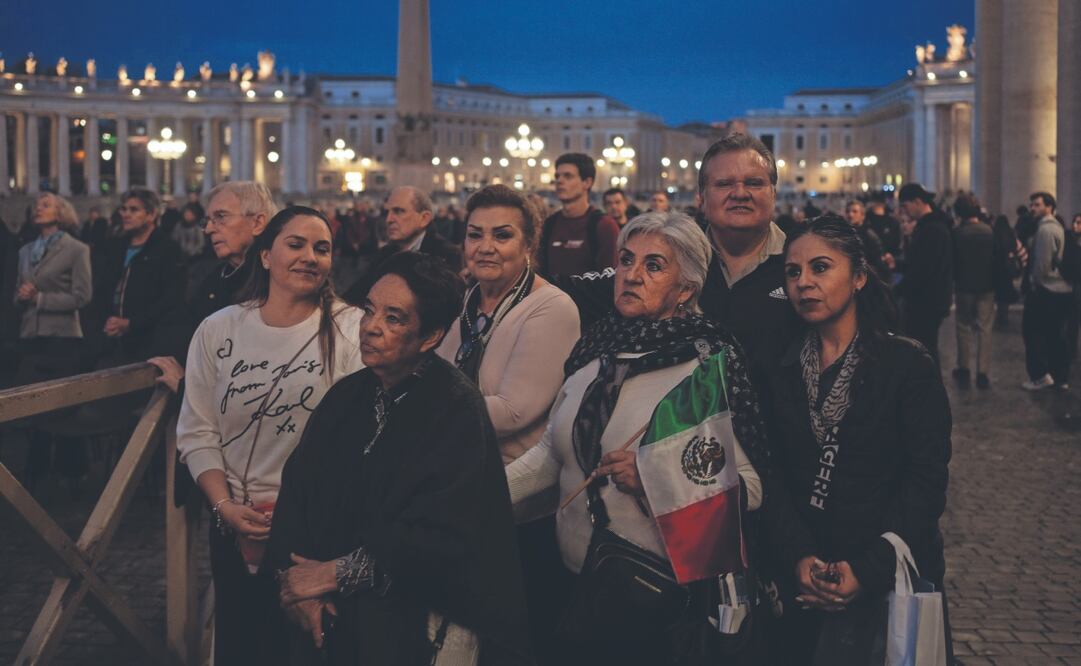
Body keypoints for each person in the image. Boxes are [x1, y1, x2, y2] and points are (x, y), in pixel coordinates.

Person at [505, 212, 767, 663]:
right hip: (571, 583)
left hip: (650, 599)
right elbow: (553, 453)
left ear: (685, 289)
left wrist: (652, 477)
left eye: (654, 265)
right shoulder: (594, 349)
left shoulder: (704, 367)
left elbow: (752, 490)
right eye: (626, 260)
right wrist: (476, 495)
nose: (632, 274)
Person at [267, 252, 533, 665]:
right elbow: (297, 491)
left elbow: (444, 536)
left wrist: (335, 573)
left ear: (430, 337)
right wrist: (298, 586)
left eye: (393, 319)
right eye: (369, 310)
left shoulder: (455, 410)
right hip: (327, 615)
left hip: (414, 623)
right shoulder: (347, 395)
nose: (371, 326)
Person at [176, 206, 365, 666]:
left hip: (314, 536)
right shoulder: (219, 328)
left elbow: (361, 440)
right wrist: (224, 506)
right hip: (234, 523)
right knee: (240, 645)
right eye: (295, 244)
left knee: (302, 651)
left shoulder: (352, 329)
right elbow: (198, 431)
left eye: (322, 248)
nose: (310, 257)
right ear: (265, 256)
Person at [763, 215, 951, 663]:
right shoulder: (779, 368)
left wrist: (867, 569)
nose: (804, 282)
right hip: (804, 578)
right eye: (793, 272)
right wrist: (798, 555)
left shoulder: (906, 366)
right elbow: (770, 473)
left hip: (884, 578)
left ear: (859, 277)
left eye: (821, 267)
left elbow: (925, 480)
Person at [435, 185, 579, 659]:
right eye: (474, 234)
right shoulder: (470, 300)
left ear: (528, 244)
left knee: (510, 647)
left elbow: (514, 411)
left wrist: (423, 412)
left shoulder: (551, 307)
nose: (485, 247)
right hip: (462, 497)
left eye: (502, 235)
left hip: (518, 511)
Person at [559, 134, 802, 386]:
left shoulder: (801, 264)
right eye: (723, 184)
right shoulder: (673, 259)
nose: (740, 193)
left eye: (754, 183)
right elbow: (567, 290)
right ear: (701, 198)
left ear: (773, 193)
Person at [13, 193, 93, 491]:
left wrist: (40, 298)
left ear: (61, 213)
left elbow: (82, 297)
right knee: (33, 406)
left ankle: (71, 471)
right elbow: (18, 293)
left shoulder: (76, 249)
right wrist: (22, 297)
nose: (38, 208)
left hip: (62, 338)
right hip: (31, 336)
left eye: (45, 205)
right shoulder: (25, 251)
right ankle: (37, 470)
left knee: (63, 407)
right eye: (36, 205)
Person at [96, 188, 188, 363]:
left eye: (134, 210)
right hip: (112, 341)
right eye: (124, 209)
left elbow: (171, 298)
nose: (126, 214)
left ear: (151, 214)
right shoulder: (115, 247)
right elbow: (102, 289)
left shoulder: (167, 249)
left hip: (148, 343)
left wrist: (131, 323)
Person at [342, 186, 462, 305]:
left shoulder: (446, 255)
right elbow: (356, 294)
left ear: (424, 218)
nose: (389, 219)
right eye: (387, 212)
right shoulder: (384, 254)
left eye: (398, 211)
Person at [190, 181, 278, 326]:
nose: (208, 229)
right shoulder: (210, 279)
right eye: (207, 221)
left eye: (221, 216)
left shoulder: (281, 280)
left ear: (257, 223)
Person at [537, 152, 620, 278]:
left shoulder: (604, 226)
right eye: (557, 176)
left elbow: (610, 278)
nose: (559, 181)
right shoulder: (549, 224)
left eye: (568, 176)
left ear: (587, 182)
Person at [1021, 191, 1074, 390]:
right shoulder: (1058, 226)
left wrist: (1034, 284)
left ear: (1049, 206)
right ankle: (1060, 377)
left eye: (1037, 204)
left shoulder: (1045, 230)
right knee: (1055, 334)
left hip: (1046, 290)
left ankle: (1040, 375)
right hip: (1061, 289)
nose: (1032, 208)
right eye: (1032, 205)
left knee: (1033, 334)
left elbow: (1041, 266)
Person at [896, 183, 954, 365]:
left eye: (905, 205)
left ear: (917, 201)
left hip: (926, 301)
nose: (904, 211)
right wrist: (897, 264)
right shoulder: (932, 226)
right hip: (930, 299)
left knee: (924, 350)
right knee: (924, 349)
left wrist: (896, 291)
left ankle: (930, 381)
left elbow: (923, 269)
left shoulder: (932, 229)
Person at [951, 194, 995, 389]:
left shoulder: (958, 233)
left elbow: (953, 260)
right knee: (985, 328)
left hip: (964, 286)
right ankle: (983, 371)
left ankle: (964, 367)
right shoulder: (989, 231)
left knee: (963, 326)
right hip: (987, 286)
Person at [992, 214, 1026, 328]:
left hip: (997, 269)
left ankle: (1000, 316)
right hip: (1008, 270)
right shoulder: (1011, 235)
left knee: (998, 294)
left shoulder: (994, 234)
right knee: (1005, 294)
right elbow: (1019, 250)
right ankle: (1004, 316)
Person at [843, 200, 889, 283]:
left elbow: (878, 264)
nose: (850, 214)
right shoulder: (844, 235)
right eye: (848, 211)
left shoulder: (870, 236)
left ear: (862, 215)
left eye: (854, 211)